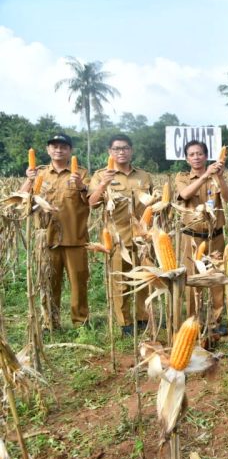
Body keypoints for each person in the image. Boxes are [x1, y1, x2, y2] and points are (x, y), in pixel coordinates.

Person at [20, 132, 90, 329]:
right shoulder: (38, 173)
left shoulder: (81, 173)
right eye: (54, 146)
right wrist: (28, 180)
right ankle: (50, 322)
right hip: (47, 239)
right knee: (49, 283)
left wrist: (81, 186)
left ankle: (81, 323)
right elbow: (20, 200)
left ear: (70, 150)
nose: (58, 150)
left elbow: (91, 202)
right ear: (48, 150)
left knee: (79, 284)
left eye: (63, 147)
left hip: (75, 238)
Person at [88, 134, 154, 335]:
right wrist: (103, 185)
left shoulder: (143, 176)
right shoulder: (101, 175)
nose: (121, 152)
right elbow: (91, 202)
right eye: (116, 149)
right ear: (110, 152)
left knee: (145, 279)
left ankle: (143, 318)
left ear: (131, 150)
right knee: (120, 283)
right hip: (117, 240)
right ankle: (125, 322)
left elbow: (152, 203)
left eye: (125, 148)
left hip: (143, 239)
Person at [175, 140, 228, 335]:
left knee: (216, 278)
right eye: (192, 154)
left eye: (199, 153)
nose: (196, 157)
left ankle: (217, 321)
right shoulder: (182, 177)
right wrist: (204, 176)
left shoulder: (216, 177)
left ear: (206, 156)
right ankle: (194, 320)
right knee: (192, 279)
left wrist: (220, 178)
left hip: (214, 236)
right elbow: (184, 195)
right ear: (186, 158)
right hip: (191, 238)